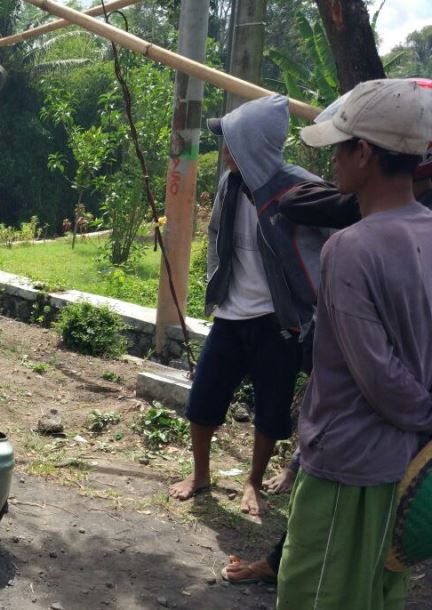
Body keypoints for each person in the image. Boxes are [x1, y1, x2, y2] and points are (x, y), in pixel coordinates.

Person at [276, 78, 432, 610]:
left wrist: (424, 415)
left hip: (350, 465)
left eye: (340, 148)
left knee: (313, 594)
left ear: (364, 153)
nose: (333, 163)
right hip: (411, 473)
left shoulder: (350, 247)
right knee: (378, 595)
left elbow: (378, 375)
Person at [169, 94, 329, 515]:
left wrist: (315, 302)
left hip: (277, 321)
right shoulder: (231, 184)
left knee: (271, 409)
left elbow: (341, 234)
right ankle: (201, 474)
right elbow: (218, 238)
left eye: (233, 143)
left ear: (254, 146)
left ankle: (253, 484)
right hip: (231, 314)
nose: (225, 152)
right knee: (203, 398)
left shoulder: (300, 190)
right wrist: (215, 286)